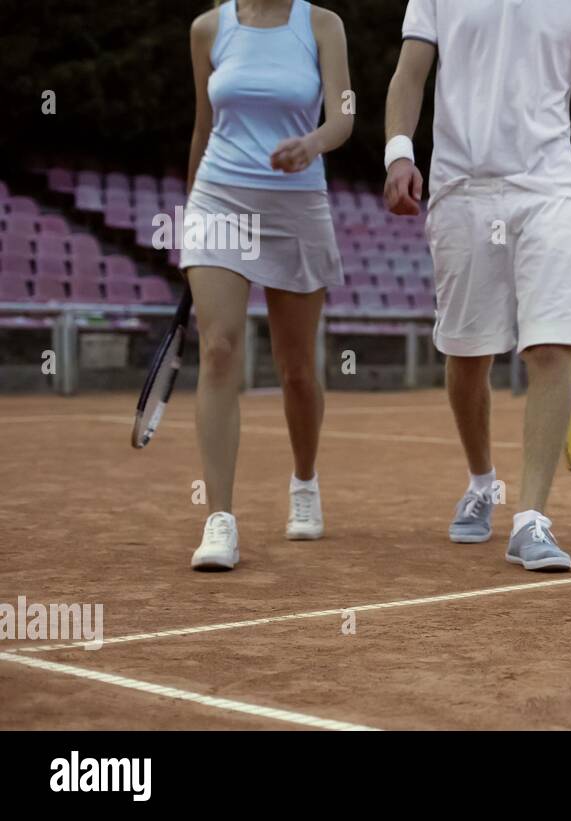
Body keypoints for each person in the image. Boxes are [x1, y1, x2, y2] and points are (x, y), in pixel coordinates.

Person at [383, 0, 571, 571]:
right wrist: (398, 153)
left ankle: (531, 519)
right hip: (461, 188)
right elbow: (410, 71)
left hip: (550, 189)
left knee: (550, 343)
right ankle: (482, 483)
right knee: (468, 353)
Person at [182, 0, 353, 570]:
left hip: (297, 203)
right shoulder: (208, 28)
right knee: (219, 349)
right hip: (219, 199)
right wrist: (190, 219)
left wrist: (313, 143)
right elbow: (203, 128)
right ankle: (220, 519)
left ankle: (304, 480)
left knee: (297, 369)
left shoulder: (322, 25)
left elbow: (344, 114)